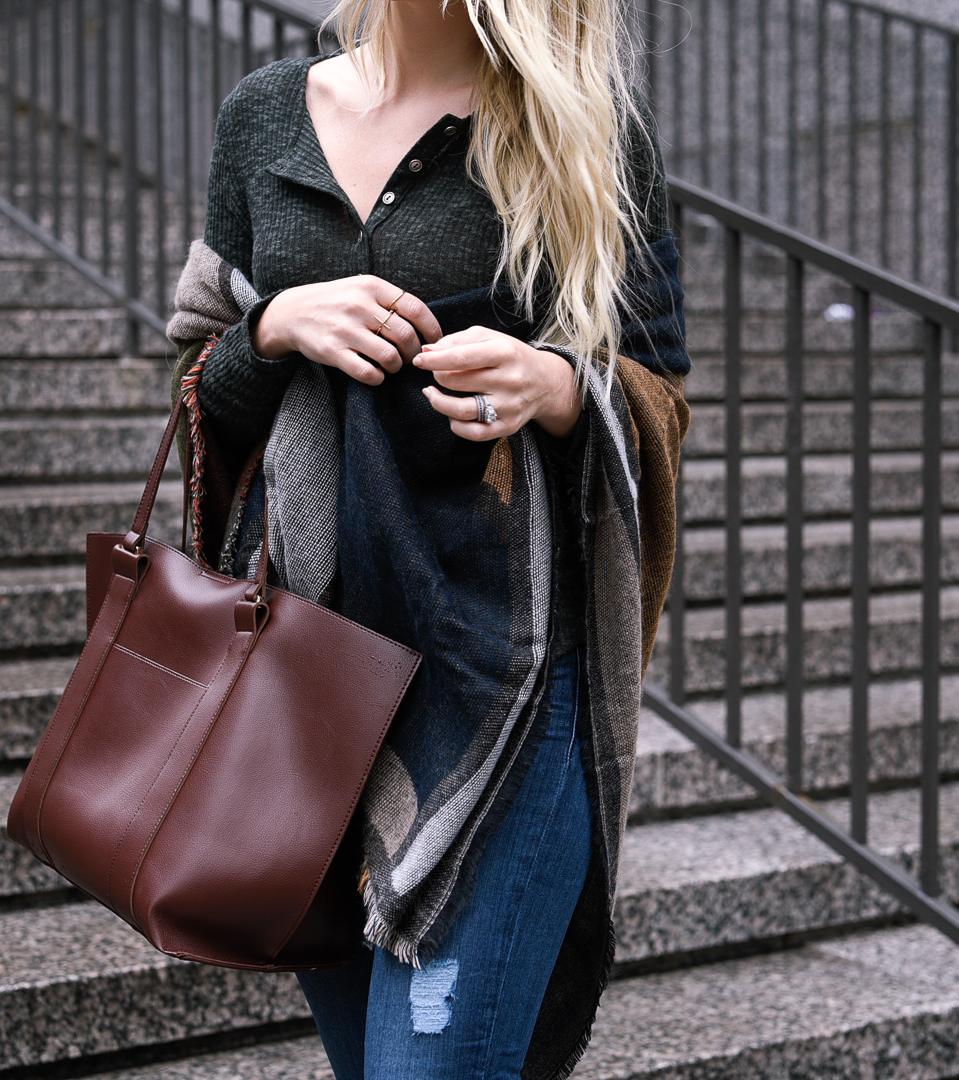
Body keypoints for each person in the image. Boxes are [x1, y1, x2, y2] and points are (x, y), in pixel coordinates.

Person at [167, 0, 690, 1076]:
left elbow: (659, 389)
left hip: (500, 682)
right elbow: (200, 396)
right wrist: (274, 327)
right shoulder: (263, 116)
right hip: (303, 690)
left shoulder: (584, 129)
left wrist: (556, 387)